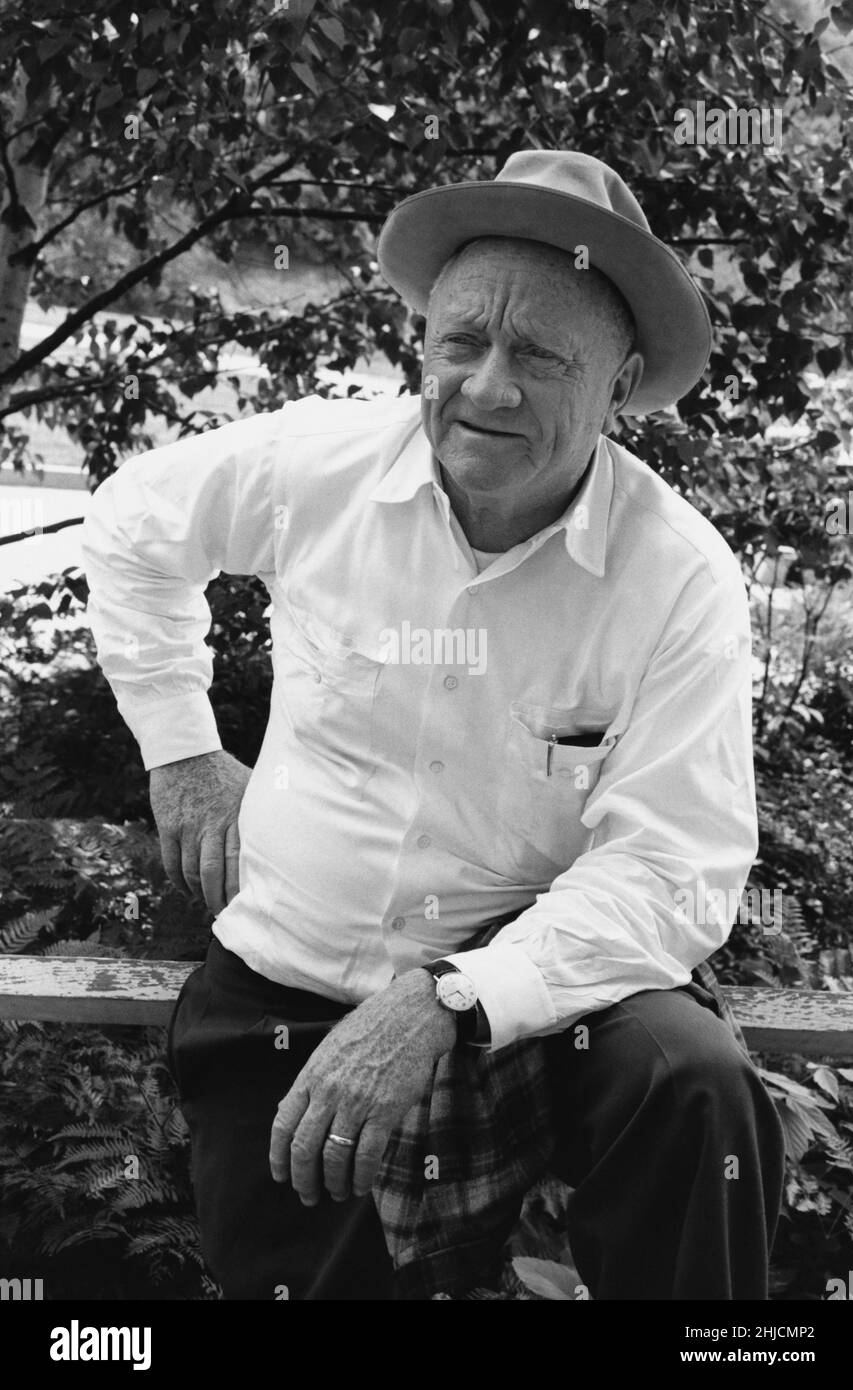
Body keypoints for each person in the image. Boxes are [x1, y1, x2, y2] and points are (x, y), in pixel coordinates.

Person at [82, 150, 785, 1301]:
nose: (488, 387)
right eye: (462, 342)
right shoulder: (315, 466)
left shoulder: (676, 576)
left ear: (621, 387)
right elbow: (129, 528)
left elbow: (674, 864)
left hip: (532, 993)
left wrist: (453, 997)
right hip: (292, 980)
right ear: (421, 347)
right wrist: (181, 754)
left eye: (541, 355)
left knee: (690, 1078)